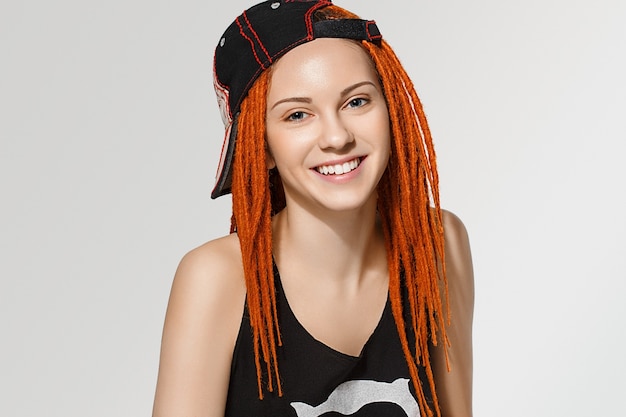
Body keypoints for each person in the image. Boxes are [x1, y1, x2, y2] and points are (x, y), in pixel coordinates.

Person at [152, 1, 474, 416]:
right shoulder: (217, 279)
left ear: (390, 108)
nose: (337, 137)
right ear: (259, 146)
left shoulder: (436, 245)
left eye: (356, 102)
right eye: (298, 115)